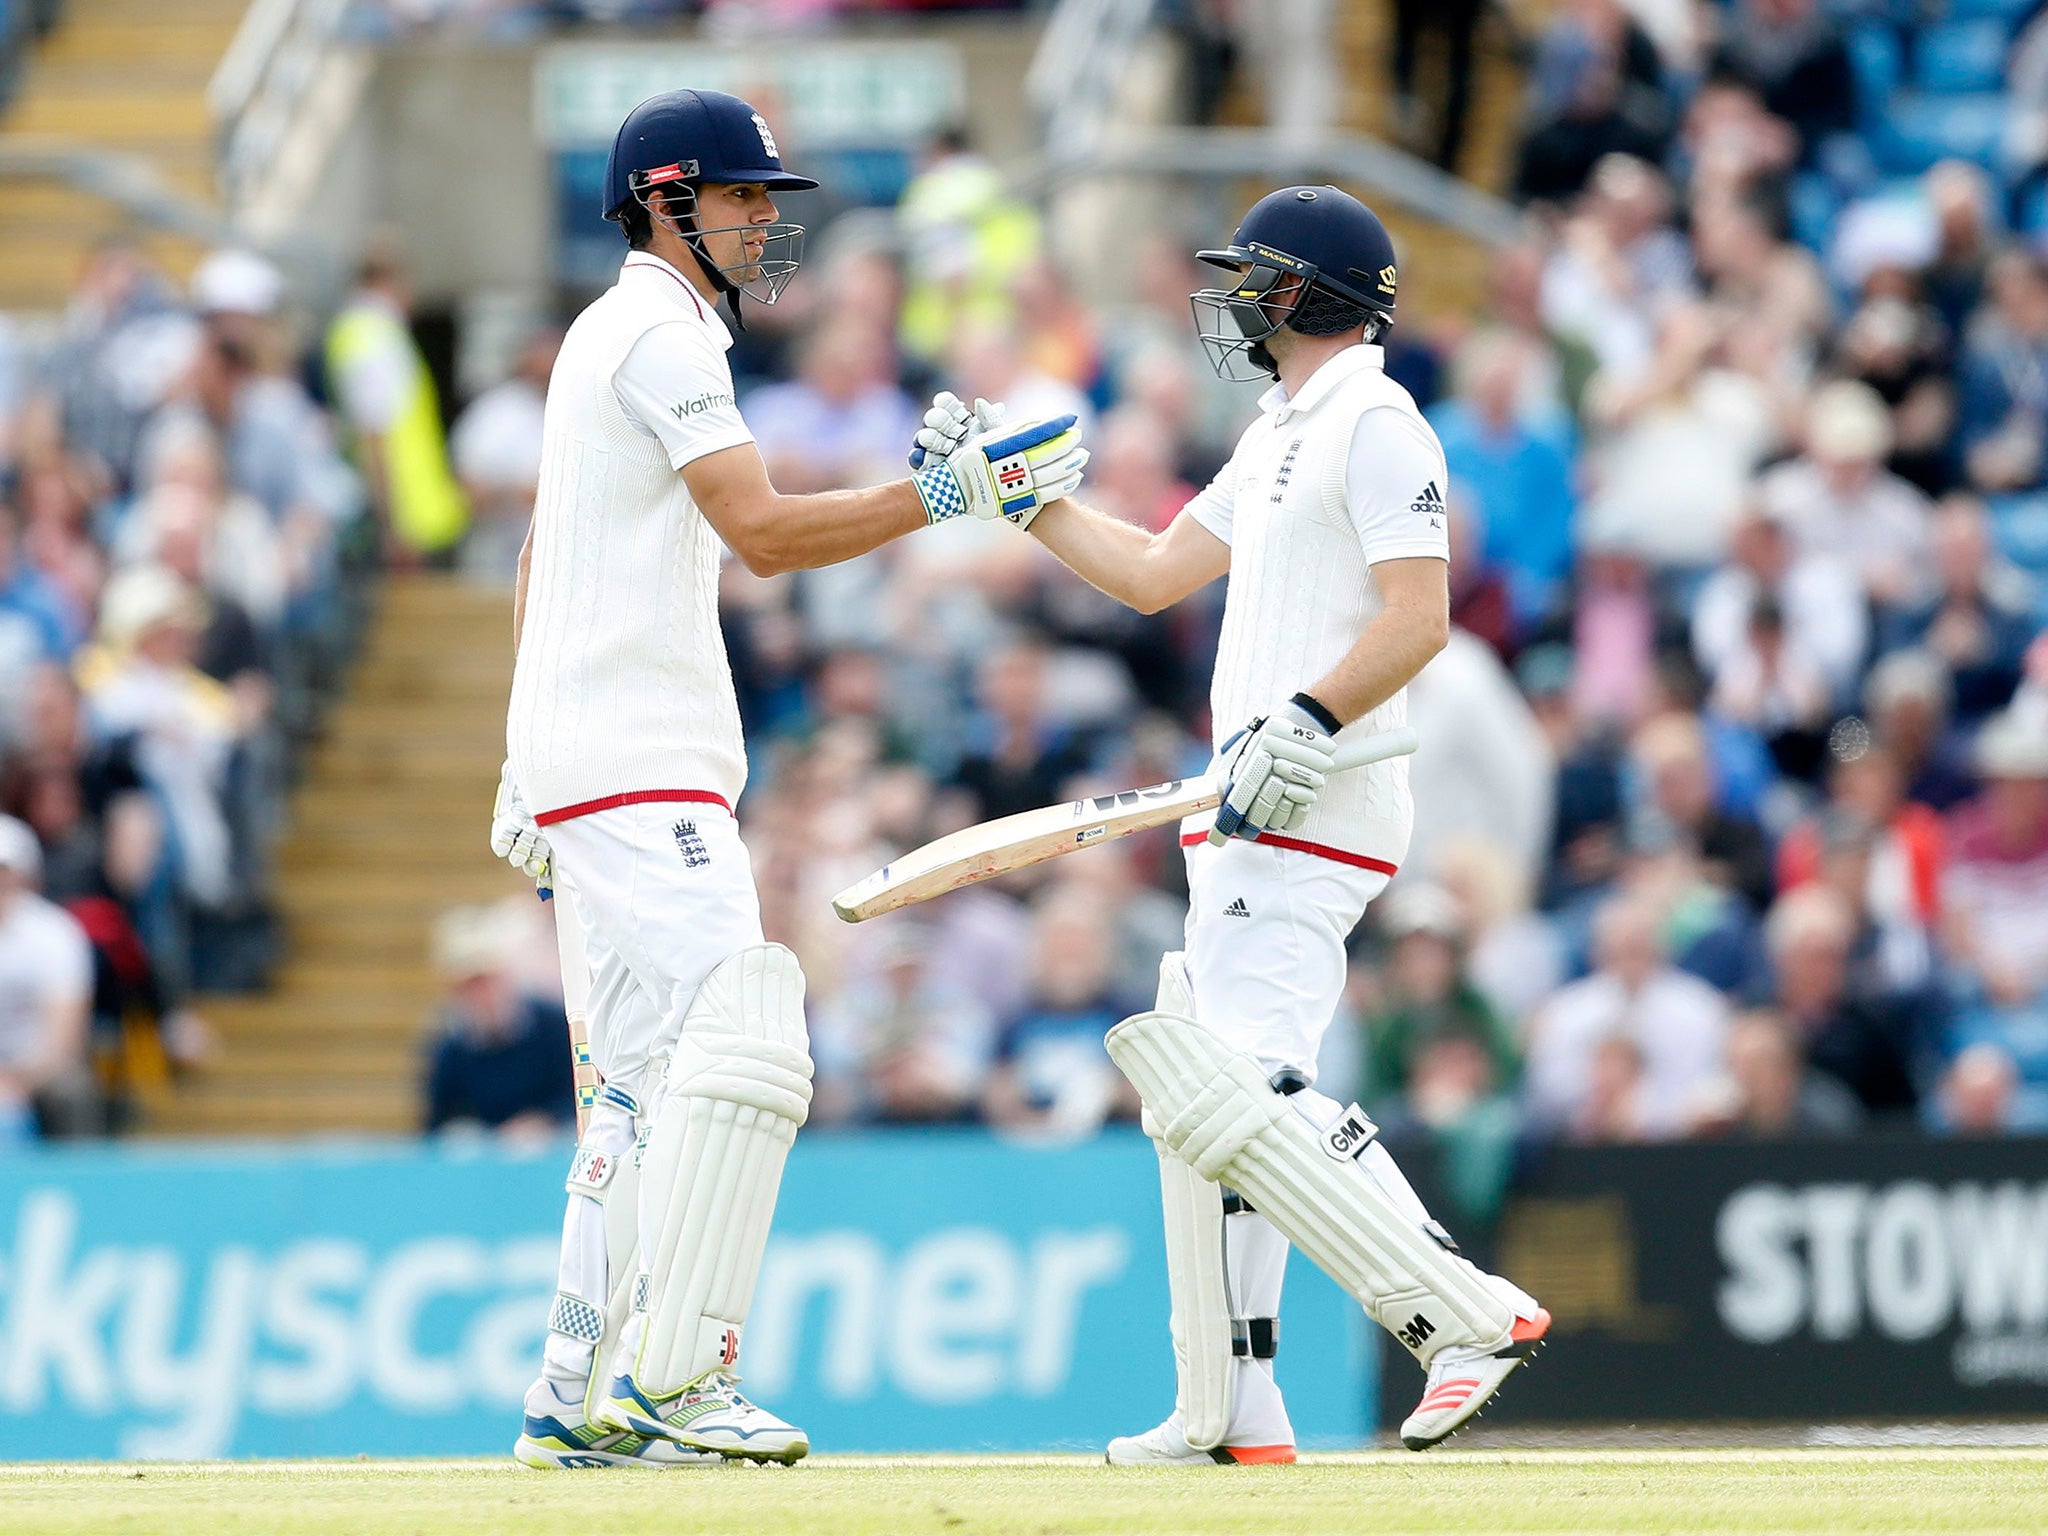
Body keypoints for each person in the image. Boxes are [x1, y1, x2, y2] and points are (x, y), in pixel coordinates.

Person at [487, 88, 1086, 1471]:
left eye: (768, 199)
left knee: (636, 1090)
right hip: (640, 766)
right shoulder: (655, 330)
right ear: (663, 201)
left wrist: (522, 752)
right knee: (745, 1044)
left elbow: (541, 557)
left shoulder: (620, 335)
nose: (767, 220)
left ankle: (572, 1387)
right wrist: (946, 498)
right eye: (745, 197)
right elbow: (759, 533)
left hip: (598, 760)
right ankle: (680, 1375)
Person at [998, 186, 1549, 1463]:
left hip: (1317, 794)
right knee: (1215, 1108)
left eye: (1255, 277)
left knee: (1244, 1091)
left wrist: (1304, 719)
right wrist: (1016, 500)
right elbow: (1146, 576)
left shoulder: (1378, 420)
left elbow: (1418, 617)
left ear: (1306, 292)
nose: (1234, 300)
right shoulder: (1277, 430)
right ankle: (1233, 1406)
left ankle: (1462, 1311)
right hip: (1244, 805)